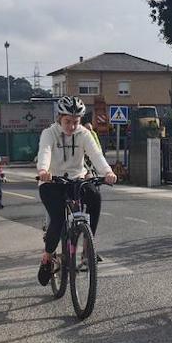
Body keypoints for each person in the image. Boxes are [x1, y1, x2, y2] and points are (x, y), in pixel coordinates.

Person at [35, 96, 117, 285]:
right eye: (68, 122)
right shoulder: (49, 133)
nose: (72, 126)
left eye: (76, 122)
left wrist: (107, 172)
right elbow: (44, 152)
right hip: (52, 181)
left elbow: (96, 155)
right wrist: (43, 171)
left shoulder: (84, 134)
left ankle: (88, 246)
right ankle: (48, 256)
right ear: (59, 118)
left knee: (95, 196)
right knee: (58, 219)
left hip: (76, 179)